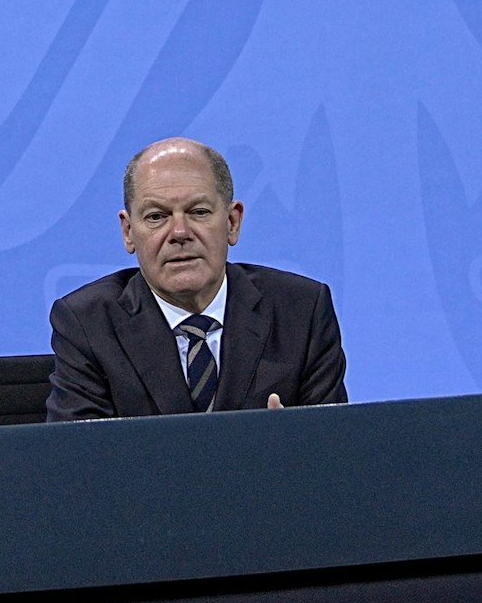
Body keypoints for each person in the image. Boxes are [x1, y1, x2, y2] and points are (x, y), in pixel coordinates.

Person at [46, 137, 348, 419]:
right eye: (156, 216)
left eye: (199, 212)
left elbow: (335, 448)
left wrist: (295, 443)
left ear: (232, 222)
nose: (179, 233)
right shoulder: (88, 323)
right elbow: (80, 454)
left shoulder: (301, 311)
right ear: (128, 232)